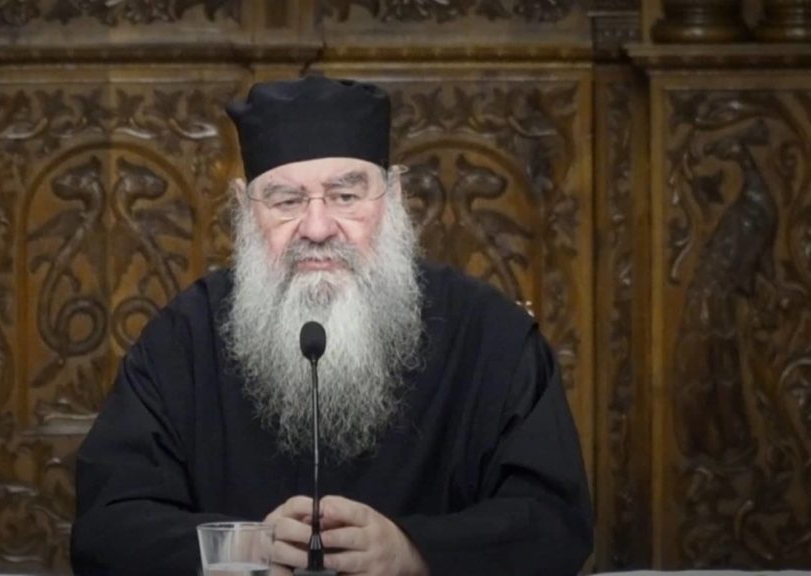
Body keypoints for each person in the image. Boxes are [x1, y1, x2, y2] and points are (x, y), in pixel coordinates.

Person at [71, 75, 593, 575]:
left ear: (393, 195)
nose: (318, 228)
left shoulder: (488, 337)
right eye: (287, 200)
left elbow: (553, 520)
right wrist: (242, 547)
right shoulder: (183, 339)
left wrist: (415, 552)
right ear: (246, 207)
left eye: (346, 196)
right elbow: (105, 528)